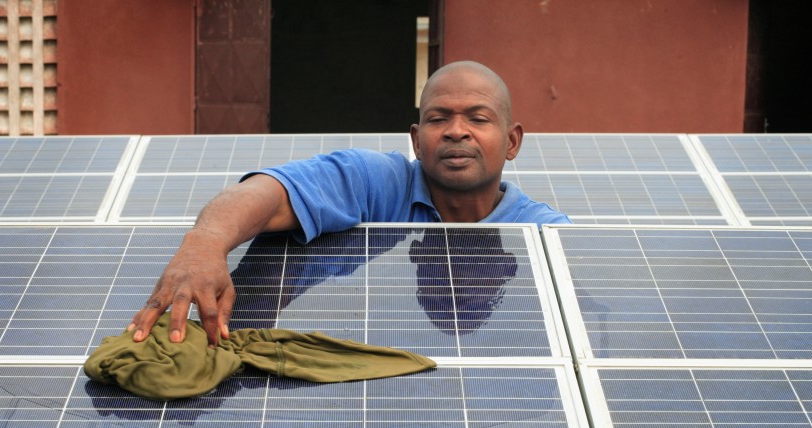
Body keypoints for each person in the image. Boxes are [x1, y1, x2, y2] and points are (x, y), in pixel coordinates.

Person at [128, 60, 570, 346]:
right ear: (417, 140)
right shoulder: (376, 181)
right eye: (438, 118)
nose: (456, 131)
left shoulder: (549, 238)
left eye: (478, 118)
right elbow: (269, 192)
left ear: (512, 142)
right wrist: (204, 243)